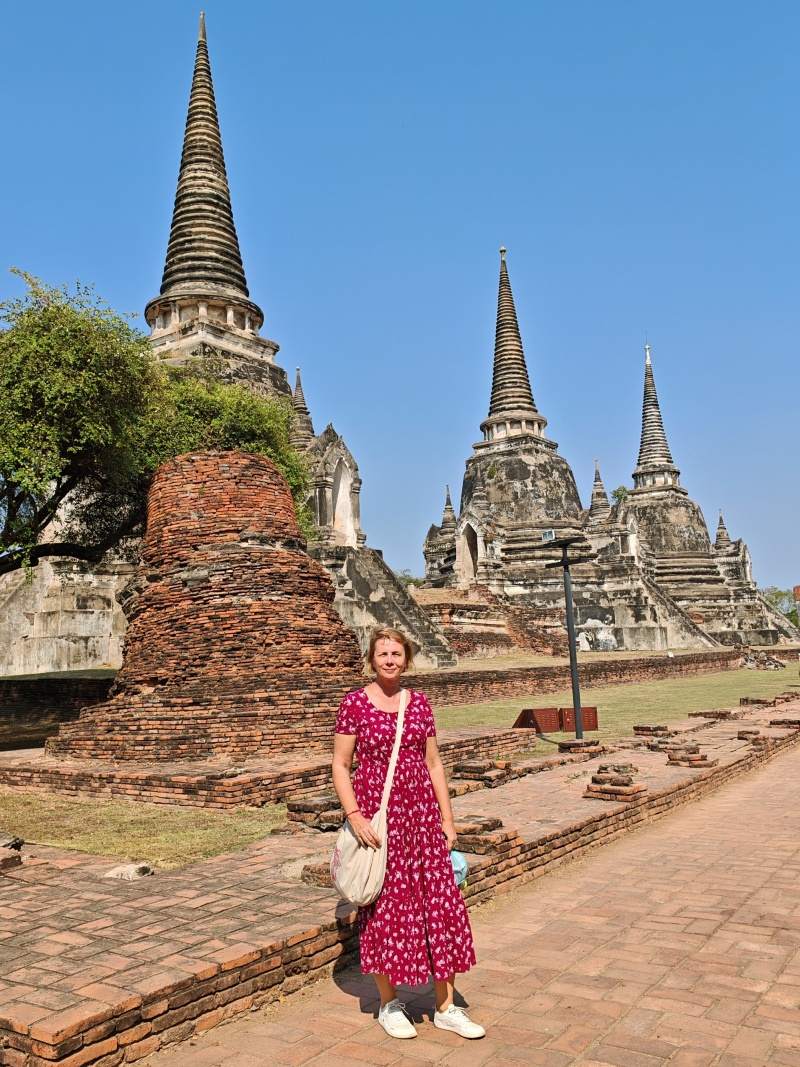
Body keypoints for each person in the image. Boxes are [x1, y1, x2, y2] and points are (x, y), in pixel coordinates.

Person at [331, 626, 484, 1041]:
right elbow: (341, 766)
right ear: (372, 658)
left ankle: (447, 1006)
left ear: (407, 658)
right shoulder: (355, 705)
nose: (390, 660)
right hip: (381, 824)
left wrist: (447, 820)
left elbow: (433, 763)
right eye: (383, 653)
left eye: (397, 653)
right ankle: (389, 1003)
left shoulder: (418, 704)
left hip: (422, 820)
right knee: (386, 910)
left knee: (441, 906)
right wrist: (355, 816)